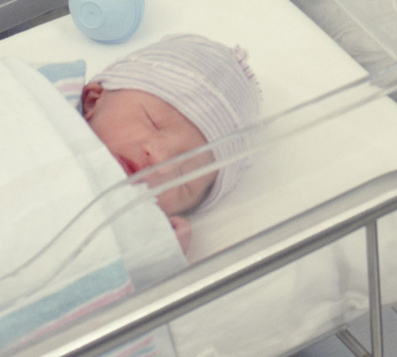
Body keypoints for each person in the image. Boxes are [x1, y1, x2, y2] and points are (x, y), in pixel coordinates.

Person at [82, 33, 262, 252]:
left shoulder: (129, 239)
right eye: (153, 123)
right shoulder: (49, 108)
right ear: (93, 100)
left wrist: (161, 254)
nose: (161, 163)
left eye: (183, 177)